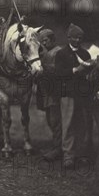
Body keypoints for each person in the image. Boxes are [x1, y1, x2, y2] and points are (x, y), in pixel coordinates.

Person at [55, 23, 93, 167]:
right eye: (75, 38)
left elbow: (89, 73)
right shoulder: (62, 54)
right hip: (68, 94)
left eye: (80, 38)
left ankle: (80, 153)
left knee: (81, 123)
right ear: (68, 37)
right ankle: (68, 155)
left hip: (82, 95)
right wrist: (75, 70)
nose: (78, 40)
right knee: (68, 123)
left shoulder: (85, 54)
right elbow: (58, 74)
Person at [35, 29, 63, 161]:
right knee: (50, 120)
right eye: (41, 42)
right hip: (45, 92)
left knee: (55, 121)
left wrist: (43, 69)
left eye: (45, 41)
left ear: (52, 40)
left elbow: (58, 72)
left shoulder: (59, 52)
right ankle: (56, 146)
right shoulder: (44, 52)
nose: (43, 44)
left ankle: (58, 149)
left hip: (54, 92)